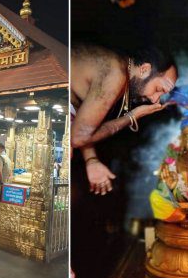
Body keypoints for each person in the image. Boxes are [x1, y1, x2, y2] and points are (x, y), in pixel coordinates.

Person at [71, 44, 178, 195]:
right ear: (145, 69)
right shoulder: (116, 75)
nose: (155, 100)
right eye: (158, 90)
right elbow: (78, 137)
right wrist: (132, 116)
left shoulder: (117, 67)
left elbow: (85, 123)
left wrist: (91, 159)